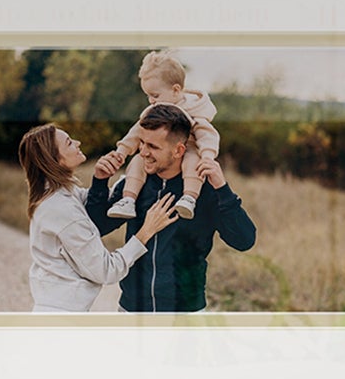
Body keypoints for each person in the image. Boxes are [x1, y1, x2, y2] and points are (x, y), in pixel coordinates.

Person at [84, 104, 257, 313]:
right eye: (142, 143)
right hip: (132, 309)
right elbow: (96, 227)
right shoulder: (135, 185)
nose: (143, 152)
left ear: (179, 150)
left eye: (153, 147)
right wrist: (100, 182)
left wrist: (222, 188)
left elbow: (244, 240)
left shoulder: (204, 190)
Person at [18, 125, 183, 313]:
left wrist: (102, 179)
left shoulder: (60, 195)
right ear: (55, 160)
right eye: (69, 143)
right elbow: (106, 270)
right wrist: (146, 231)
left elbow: (95, 208)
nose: (78, 143)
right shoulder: (62, 210)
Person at [96, 51, 227, 220]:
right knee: (138, 160)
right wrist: (121, 151)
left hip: (189, 150)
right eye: (148, 96)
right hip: (162, 159)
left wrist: (207, 156)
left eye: (155, 95)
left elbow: (207, 135)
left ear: (175, 90)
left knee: (192, 160)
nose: (151, 100)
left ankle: (189, 197)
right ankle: (128, 199)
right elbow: (136, 132)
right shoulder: (154, 111)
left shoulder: (194, 110)